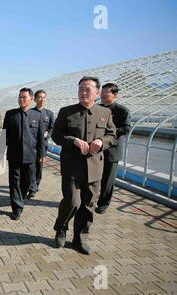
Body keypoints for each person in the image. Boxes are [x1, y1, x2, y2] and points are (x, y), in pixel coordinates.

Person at [51, 76, 116, 254]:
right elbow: (56, 136)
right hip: (71, 167)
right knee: (72, 202)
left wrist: (102, 141)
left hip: (95, 168)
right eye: (80, 89)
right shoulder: (66, 112)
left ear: (97, 92)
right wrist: (74, 141)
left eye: (87, 89)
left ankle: (80, 239)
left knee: (88, 206)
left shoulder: (105, 113)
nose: (83, 92)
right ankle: (61, 228)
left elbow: (112, 136)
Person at [3, 88, 46, 220]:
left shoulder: (37, 116)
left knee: (28, 181)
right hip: (14, 155)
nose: (21, 99)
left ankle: (19, 198)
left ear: (31, 99)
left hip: (31, 156)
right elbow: (4, 136)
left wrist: (42, 155)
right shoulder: (10, 114)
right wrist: (0, 153)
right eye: (20, 97)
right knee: (14, 181)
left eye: (24, 97)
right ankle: (17, 208)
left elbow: (40, 138)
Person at [96, 83, 131, 214]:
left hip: (112, 151)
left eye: (107, 92)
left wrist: (108, 133)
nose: (103, 94)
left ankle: (103, 203)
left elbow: (126, 129)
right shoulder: (96, 108)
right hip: (97, 148)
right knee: (93, 176)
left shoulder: (122, 110)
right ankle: (90, 199)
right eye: (102, 92)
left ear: (115, 95)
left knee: (108, 180)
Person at [27, 90, 55, 198]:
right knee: (30, 166)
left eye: (44, 97)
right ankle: (32, 187)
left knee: (39, 166)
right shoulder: (30, 112)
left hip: (42, 145)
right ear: (34, 99)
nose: (42, 100)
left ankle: (35, 184)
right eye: (39, 97)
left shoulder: (49, 114)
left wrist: (47, 134)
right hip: (31, 145)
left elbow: (52, 128)